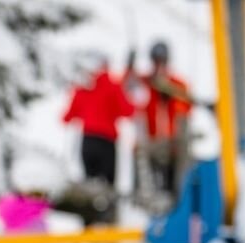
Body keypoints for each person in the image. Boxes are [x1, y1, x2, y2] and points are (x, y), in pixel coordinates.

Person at [127, 41, 192, 198]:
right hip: (148, 142)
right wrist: (129, 69)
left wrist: (170, 96)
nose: (159, 64)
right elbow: (129, 92)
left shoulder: (177, 84)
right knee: (143, 179)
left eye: (162, 60)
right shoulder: (144, 81)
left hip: (171, 144)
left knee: (174, 180)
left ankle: (177, 201)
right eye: (156, 60)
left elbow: (186, 107)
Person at [60, 51, 133, 187]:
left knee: (89, 182)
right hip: (107, 143)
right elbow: (128, 111)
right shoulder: (114, 87)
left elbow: (67, 117)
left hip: (88, 141)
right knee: (108, 185)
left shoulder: (83, 87)